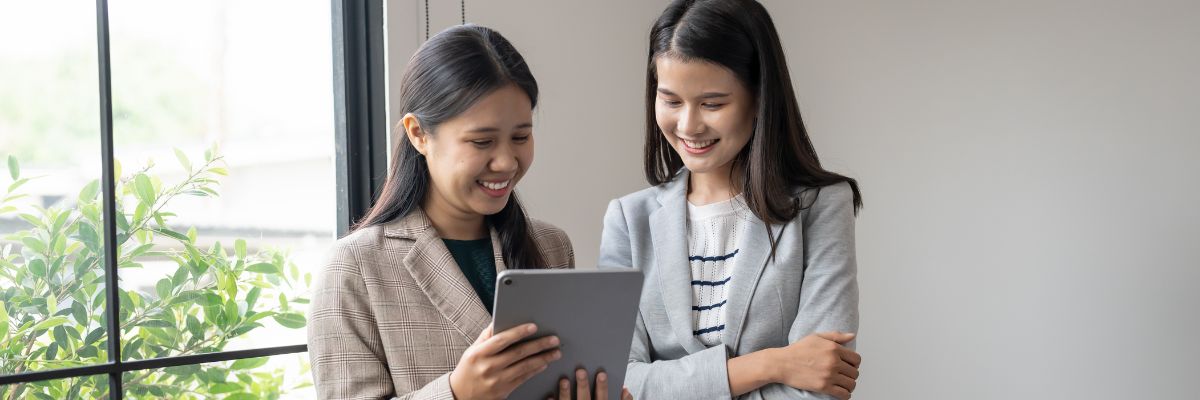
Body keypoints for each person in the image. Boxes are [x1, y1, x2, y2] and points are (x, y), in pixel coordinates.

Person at [309, 25, 625, 400]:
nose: (507, 161)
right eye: (482, 141)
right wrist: (458, 393)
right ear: (418, 134)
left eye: (521, 137)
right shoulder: (354, 268)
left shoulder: (552, 247)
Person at [599, 1, 863, 398]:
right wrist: (770, 364)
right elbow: (619, 382)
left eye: (712, 103)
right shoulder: (628, 220)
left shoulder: (822, 207)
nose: (688, 125)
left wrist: (670, 385)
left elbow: (820, 388)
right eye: (671, 101)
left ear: (758, 98)